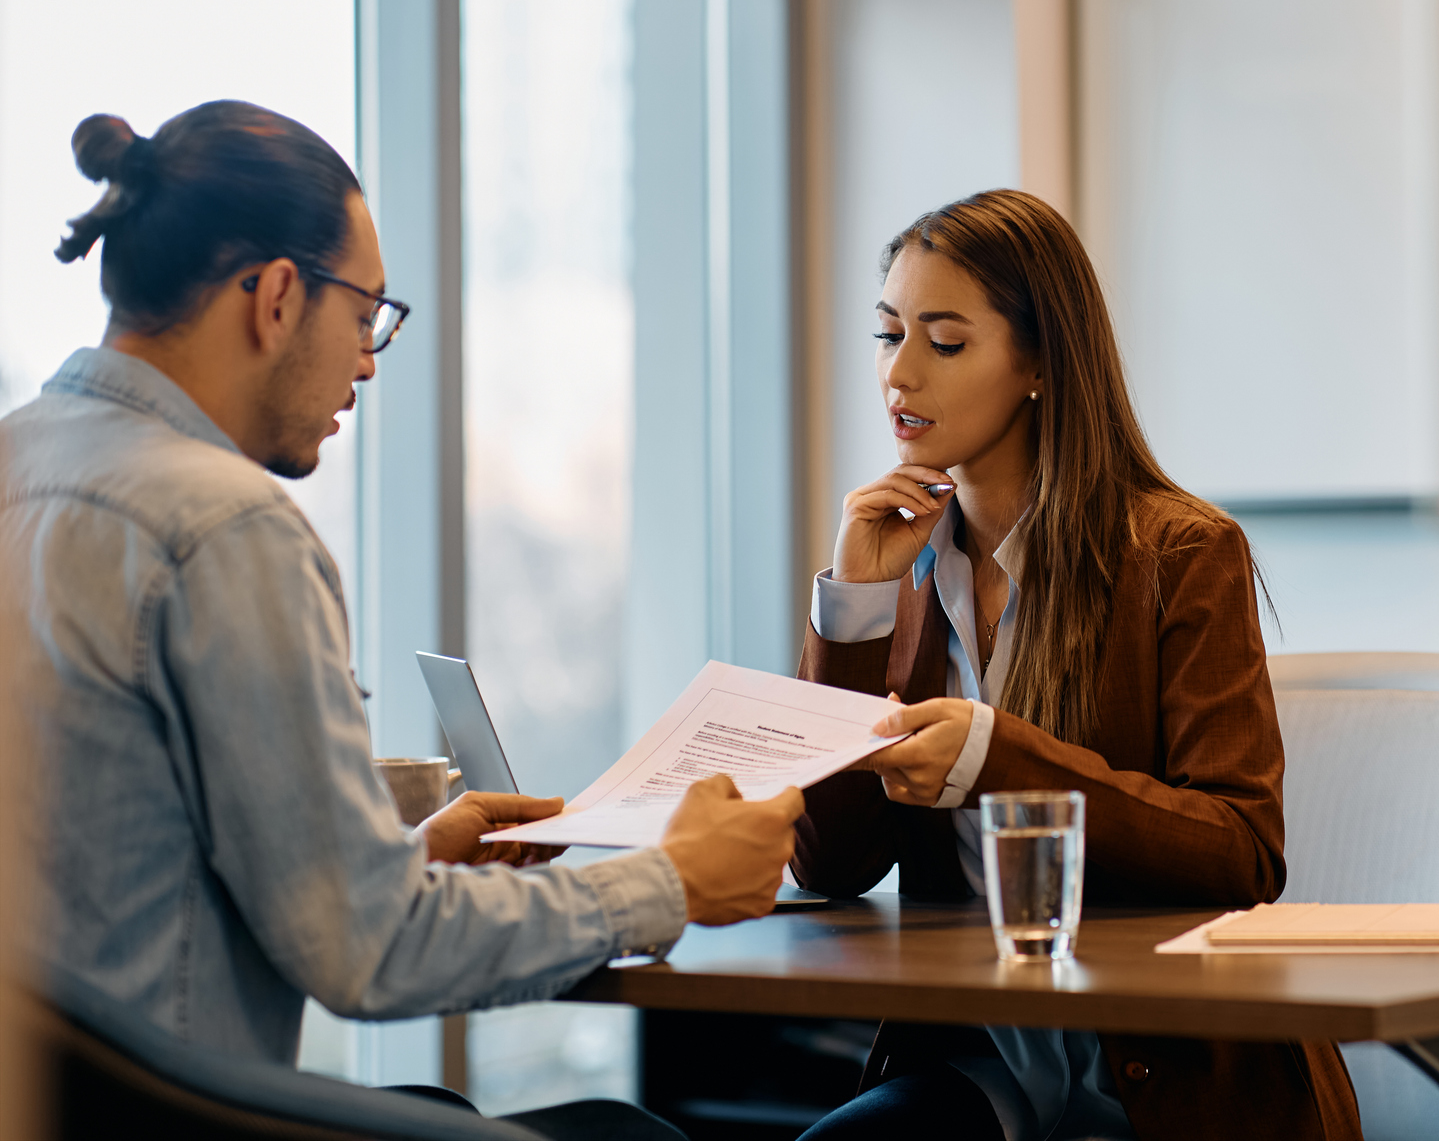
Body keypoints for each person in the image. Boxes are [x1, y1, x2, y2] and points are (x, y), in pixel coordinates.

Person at [0, 102, 805, 1138]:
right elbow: (368, 951)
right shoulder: (222, 526)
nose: (370, 361)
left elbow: (116, 866)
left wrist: (403, 859)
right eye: (366, 314)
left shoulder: (22, 461)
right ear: (277, 296)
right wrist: (672, 880)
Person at [790, 191, 1360, 1141]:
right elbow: (831, 864)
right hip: (985, 1063)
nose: (898, 372)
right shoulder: (904, 568)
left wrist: (994, 760)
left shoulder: (1178, 552)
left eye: (944, 341)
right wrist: (854, 602)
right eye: (888, 335)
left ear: (1040, 363)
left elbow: (1241, 852)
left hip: (1166, 1077)